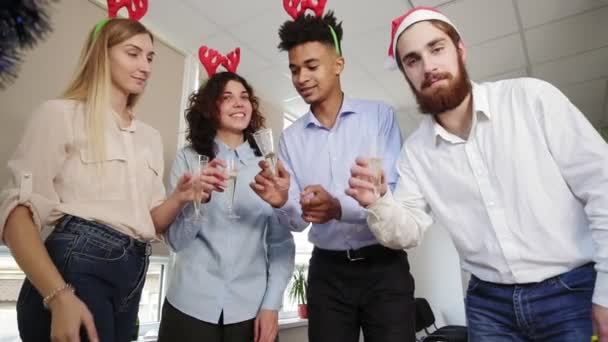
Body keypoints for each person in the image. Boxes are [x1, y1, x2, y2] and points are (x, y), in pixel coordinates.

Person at [346, 6, 608, 341]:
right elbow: (407, 232)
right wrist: (379, 202)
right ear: (406, 73)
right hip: (489, 306)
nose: (428, 66)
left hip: (571, 291)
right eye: (412, 60)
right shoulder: (416, 152)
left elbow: (602, 187)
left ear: (460, 50)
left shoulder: (531, 98)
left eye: (436, 48)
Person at [0, 17, 196, 342]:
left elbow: (150, 223)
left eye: (149, 58)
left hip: (133, 275)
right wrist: (59, 295)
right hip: (77, 268)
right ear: (101, 55)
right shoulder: (59, 114)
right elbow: (16, 216)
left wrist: (180, 197)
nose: (145, 66)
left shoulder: (149, 137)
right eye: (133, 53)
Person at [250, 8, 414, 342]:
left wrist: (338, 207)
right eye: (294, 70)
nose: (301, 78)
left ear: (338, 65)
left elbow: (392, 195)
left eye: (312, 66)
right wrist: (283, 202)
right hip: (328, 273)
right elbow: (298, 222)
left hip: (384, 266)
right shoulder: (291, 138)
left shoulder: (378, 116)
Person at [157, 71, 295, 342]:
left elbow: (281, 244)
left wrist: (271, 305)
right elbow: (175, 241)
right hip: (189, 307)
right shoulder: (189, 160)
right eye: (227, 97)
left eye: (244, 97)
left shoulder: (267, 166)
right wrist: (198, 202)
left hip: (251, 312)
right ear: (210, 107)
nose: (239, 103)